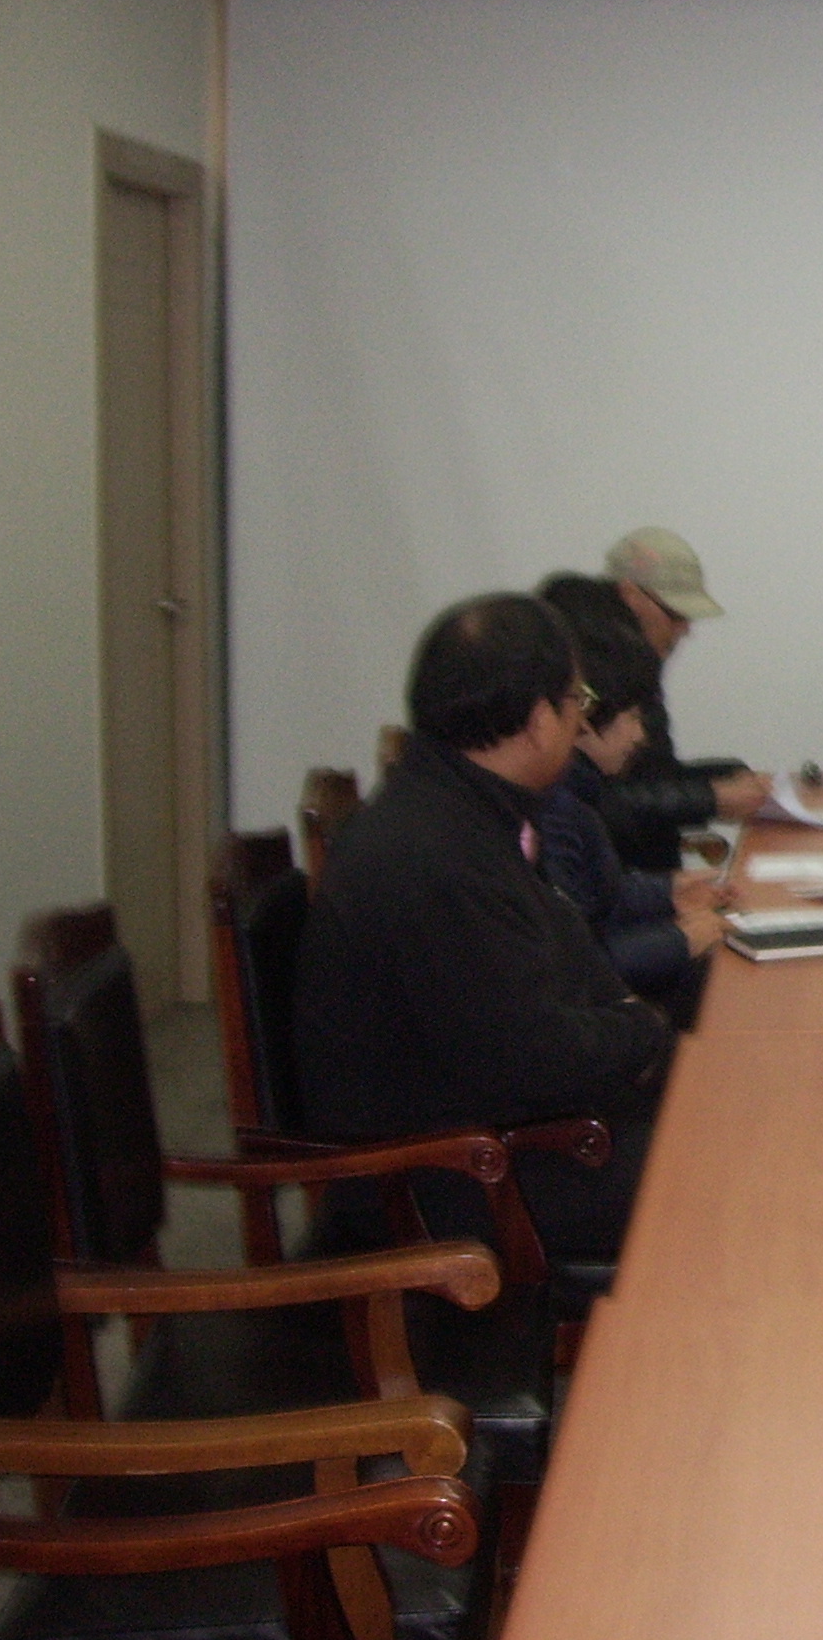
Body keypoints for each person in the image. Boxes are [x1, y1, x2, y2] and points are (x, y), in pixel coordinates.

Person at [296, 592, 672, 1259]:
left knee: (718, 1112)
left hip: (489, 1136)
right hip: (443, 1181)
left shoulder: (457, 809)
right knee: (721, 1165)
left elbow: (565, 964)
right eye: (577, 700)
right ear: (539, 721)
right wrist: (644, 1031)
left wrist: (632, 1027)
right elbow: (536, 1060)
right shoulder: (434, 857)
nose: (580, 718)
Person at [537, 598, 727, 1031]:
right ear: (586, 718)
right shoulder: (554, 811)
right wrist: (680, 940)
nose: (641, 736)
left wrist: (669, 892)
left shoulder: (578, 794)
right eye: (633, 717)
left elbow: (601, 894)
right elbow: (577, 969)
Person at [578, 530, 773, 870]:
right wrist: (710, 798)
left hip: (651, 882)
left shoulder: (636, 666)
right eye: (676, 614)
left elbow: (651, 777)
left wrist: (726, 776)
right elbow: (594, 804)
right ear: (630, 595)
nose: (685, 629)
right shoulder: (584, 673)